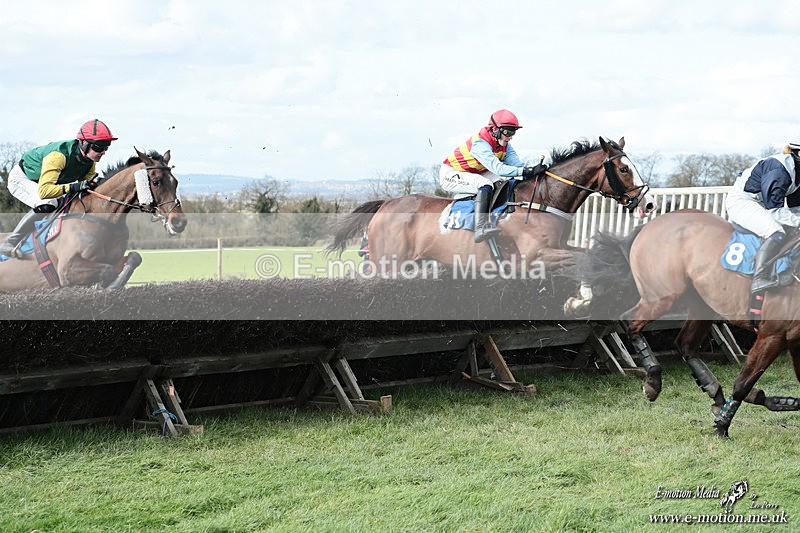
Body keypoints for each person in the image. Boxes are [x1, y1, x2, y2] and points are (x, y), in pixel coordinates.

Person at [0, 119, 117, 258]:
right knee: (48, 203)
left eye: (106, 147)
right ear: (84, 143)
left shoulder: (89, 163)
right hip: (22, 179)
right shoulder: (58, 156)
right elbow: (44, 192)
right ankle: (10, 242)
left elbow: (87, 190)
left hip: (46, 183)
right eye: (98, 147)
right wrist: (74, 186)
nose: (103, 152)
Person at [440, 109, 548, 243]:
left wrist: (534, 170)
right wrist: (526, 171)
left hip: (476, 171)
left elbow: (518, 166)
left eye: (513, 132)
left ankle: (498, 214)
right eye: (508, 132)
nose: (510, 137)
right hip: (451, 174)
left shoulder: (505, 145)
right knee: (485, 184)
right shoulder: (480, 144)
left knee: (506, 179)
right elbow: (499, 169)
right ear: (495, 129)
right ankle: (480, 227)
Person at [725, 141, 800, 293]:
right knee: (776, 232)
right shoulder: (779, 169)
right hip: (742, 202)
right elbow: (774, 210)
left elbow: (795, 207)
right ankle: (759, 278)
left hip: (762, 204)